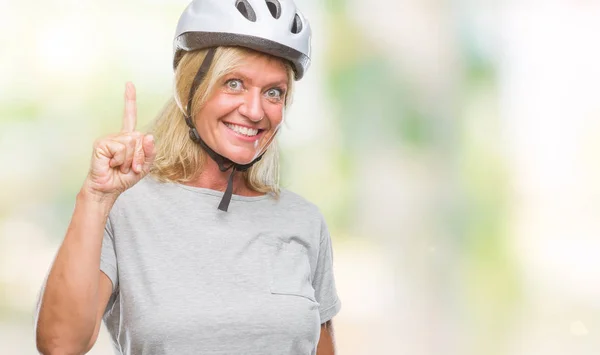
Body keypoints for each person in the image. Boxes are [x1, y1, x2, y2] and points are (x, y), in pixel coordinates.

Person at [35, 0, 342, 354]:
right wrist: (96, 197)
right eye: (234, 83)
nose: (256, 111)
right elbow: (60, 344)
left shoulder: (304, 220)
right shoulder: (124, 208)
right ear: (190, 86)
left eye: (273, 92)